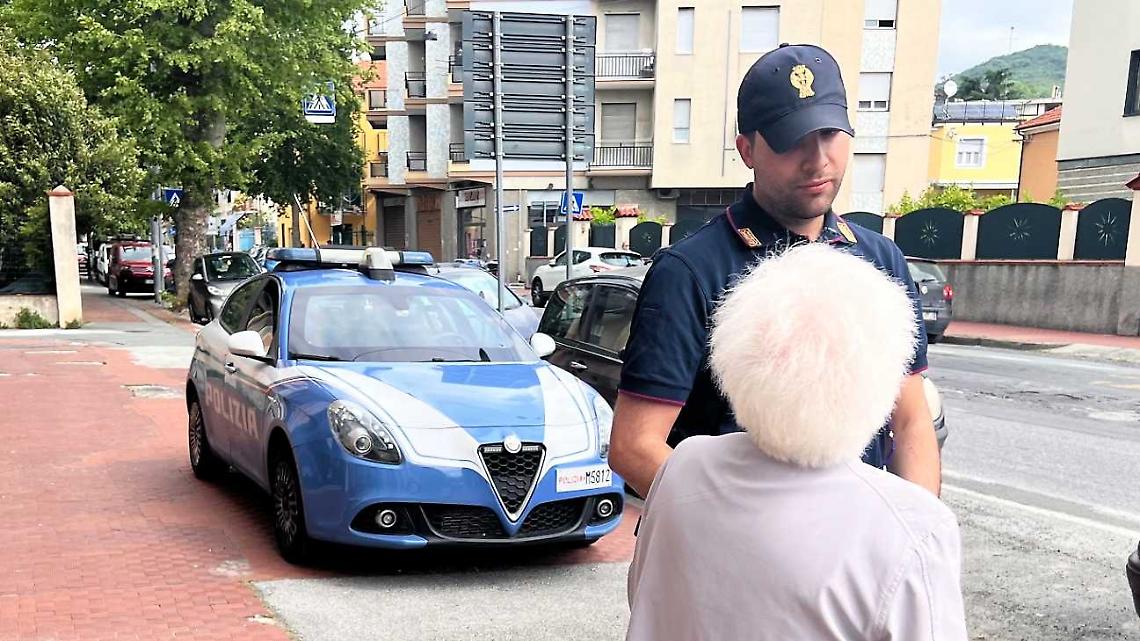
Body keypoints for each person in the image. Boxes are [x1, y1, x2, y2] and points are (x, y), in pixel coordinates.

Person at [610, 43, 940, 498]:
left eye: (829, 133)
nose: (818, 159)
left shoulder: (880, 261)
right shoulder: (690, 271)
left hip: (856, 543)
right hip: (732, 550)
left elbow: (910, 416)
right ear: (747, 150)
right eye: (793, 141)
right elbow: (634, 447)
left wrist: (917, 530)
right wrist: (748, 533)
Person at [625, 243, 968, 641]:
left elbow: (645, 597)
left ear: (733, 353)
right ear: (883, 376)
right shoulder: (912, 530)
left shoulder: (683, 466)